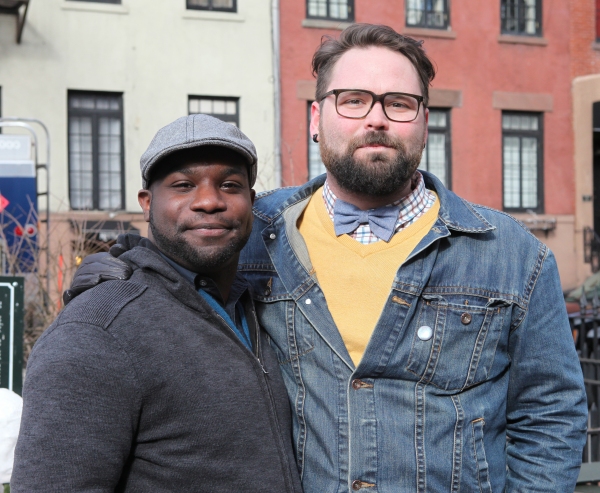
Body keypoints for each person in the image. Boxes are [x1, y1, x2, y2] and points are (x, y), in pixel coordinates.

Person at [64, 24, 588, 493]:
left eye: (399, 103)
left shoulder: (514, 257)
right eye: (353, 100)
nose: (377, 119)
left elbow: (552, 415)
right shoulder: (248, 233)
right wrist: (114, 278)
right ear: (316, 118)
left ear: (425, 121)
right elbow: (170, 275)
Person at [11, 115, 303, 493]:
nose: (210, 201)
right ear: (147, 204)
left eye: (230, 185)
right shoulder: (97, 331)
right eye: (183, 185)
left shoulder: (260, 307)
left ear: (251, 201)